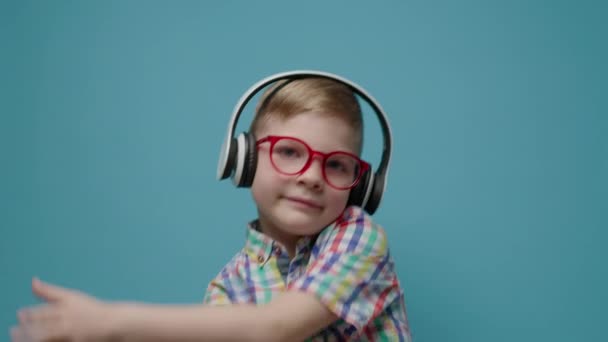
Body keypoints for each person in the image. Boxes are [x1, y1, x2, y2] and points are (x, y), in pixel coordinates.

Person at [11, 72, 412, 341]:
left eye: (336, 164)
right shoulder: (229, 284)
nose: (311, 176)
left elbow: (275, 327)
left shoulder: (359, 239)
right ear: (244, 161)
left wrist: (112, 321)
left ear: (360, 187)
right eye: (290, 152)